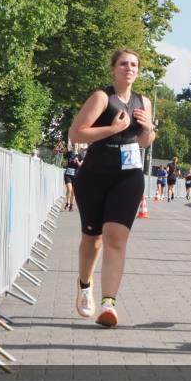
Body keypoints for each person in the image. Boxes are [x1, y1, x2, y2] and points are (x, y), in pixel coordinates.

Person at [69, 48, 156, 326]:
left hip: (128, 176)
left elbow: (144, 143)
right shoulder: (101, 98)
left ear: (138, 71)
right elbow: (76, 134)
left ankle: (109, 304)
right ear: (113, 69)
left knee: (116, 237)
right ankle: (84, 285)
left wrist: (147, 128)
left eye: (133, 65)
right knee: (92, 240)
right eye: (123, 64)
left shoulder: (144, 102)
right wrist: (112, 129)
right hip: (94, 175)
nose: (128, 68)